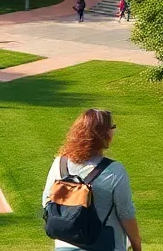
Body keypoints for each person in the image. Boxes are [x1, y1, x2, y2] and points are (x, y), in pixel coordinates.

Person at [42, 108, 142, 251]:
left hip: (64, 245)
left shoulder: (59, 163)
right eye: (112, 128)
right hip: (105, 245)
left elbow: (46, 200)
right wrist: (137, 245)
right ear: (105, 133)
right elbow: (126, 213)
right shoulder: (114, 171)